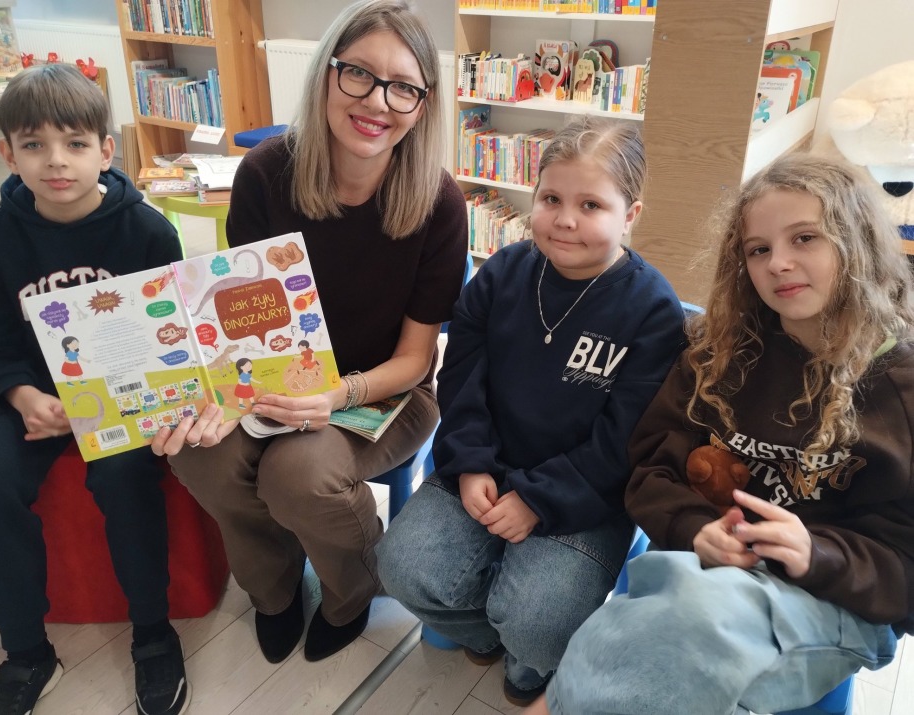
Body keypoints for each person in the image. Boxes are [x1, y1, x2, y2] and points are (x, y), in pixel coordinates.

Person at [526, 152, 914, 715]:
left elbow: (903, 568)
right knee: (669, 638)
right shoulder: (716, 354)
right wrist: (698, 529)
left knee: (678, 638)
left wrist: (817, 554)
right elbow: (650, 472)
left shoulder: (901, 389)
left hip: (833, 598)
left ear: (856, 242)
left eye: (805, 238)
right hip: (699, 573)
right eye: (758, 249)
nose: (779, 263)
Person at [151, 0, 467, 664]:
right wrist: (219, 393)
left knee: (299, 473)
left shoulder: (437, 200)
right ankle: (273, 589)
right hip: (272, 377)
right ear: (326, 72)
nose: (377, 101)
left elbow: (416, 358)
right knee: (201, 454)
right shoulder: (266, 173)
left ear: (423, 105)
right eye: (359, 74)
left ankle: (350, 591)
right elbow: (240, 317)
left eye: (403, 87)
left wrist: (335, 395)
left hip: (384, 390)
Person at [376, 116, 687, 706]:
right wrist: (472, 463)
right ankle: (487, 638)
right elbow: (460, 379)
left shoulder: (653, 311)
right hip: (486, 467)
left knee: (539, 621)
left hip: (587, 495)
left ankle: (529, 671)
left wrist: (538, 500)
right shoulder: (502, 272)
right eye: (551, 199)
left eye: (591, 204)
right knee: (401, 568)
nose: (565, 219)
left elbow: (628, 438)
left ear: (631, 215)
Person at [0, 64, 189, 715]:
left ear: (105, 150)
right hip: (35, 400)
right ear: (8, 153)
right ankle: (27, 651)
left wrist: (129, 401)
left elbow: (173, 338)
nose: (56, 161)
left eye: (75, 143)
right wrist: (21, 396)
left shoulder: (148, 231)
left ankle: (152, 632)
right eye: (34, 145)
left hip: (124, 392)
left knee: (124, 476)